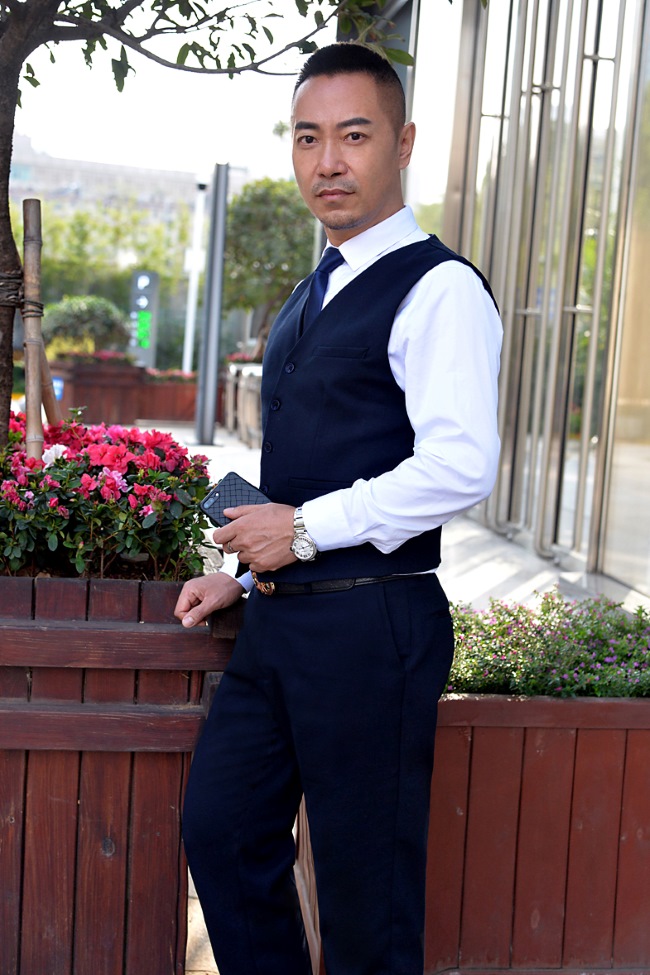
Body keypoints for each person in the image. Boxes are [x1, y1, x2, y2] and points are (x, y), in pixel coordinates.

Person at [175, 42, 502, 975]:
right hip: (281, 621)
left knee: (366, 906)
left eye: (354, 136)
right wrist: (244, 572)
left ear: (403, 143)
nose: (328, 161)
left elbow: (461, 464)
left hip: (373, 625)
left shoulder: (439, 289)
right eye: (308, 138)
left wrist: (302, 529)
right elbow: (313, 466)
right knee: (223, 829)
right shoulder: (314, 286)